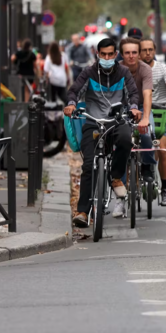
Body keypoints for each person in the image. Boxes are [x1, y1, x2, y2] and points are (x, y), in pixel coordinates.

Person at [64, 38, 141, 228]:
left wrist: (133, 107)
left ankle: (116, 177)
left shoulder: (123, 72)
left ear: (116, 55)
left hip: (116, 120)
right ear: (97, 54)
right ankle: (83, 211)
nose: (106, 58)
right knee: (89, 165)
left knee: (125, 139)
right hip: (93, 121)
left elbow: (133, 94)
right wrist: (72, 104)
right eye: (103, 54)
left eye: (110, 54)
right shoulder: (88, 72)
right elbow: (74, 91)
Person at [113, 37, 154, 218]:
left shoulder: (145, 70)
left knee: (146, 134)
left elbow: (146, 95)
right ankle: (119, 201)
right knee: (120, 148)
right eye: (127, 53)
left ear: (139, 54)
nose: (131, 56)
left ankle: (147, 166)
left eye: (134, 52)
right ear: (122, 55)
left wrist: (145, 118)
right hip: (120, 110)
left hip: (142, 109)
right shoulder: (116, 69)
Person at [140, 38, 166, 206]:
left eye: (151, 49)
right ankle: (132, 187)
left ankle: (164, 189)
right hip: (140, 114)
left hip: (160, 113)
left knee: (162, 150)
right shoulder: (134, 70)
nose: (148, 53)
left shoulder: (163, 68)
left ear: (155, 50)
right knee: (134, 151)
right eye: (144, 50)